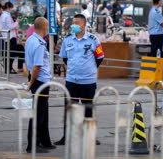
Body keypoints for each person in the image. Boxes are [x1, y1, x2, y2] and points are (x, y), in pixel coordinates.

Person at [55, 14, 104, 145]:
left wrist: (89, 70)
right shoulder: (68, 40)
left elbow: (99, 57)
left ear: (83, 25)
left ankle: (90, 137)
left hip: (88, 82)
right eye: (73, 22)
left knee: (88, 110)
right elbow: (64, 58)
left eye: (76, 23)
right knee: (69, 109)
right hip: (71, 81)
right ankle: (67, 136)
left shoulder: (93, 40)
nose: (73, 25)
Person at [25, 17, 55, 153]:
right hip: (40, 81)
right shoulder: (39, 44)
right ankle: (32, 144)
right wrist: (31, 82)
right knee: (38, 113)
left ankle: (44, 141)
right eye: (47, 27)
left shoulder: (30, 40)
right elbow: (37, 67)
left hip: (38, 79)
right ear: (45, 27)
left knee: (43, 112)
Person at [0, 2, 24, 74]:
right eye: (11, 7)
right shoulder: (6, 16)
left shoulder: (4, 15)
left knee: (19, 50)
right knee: (11, 54)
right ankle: (9, 69)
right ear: (8, 7)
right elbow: (10, 26)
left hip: (9, 36)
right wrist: (17, 22)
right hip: (10, 37)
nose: (11, 9)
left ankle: (17, 67)